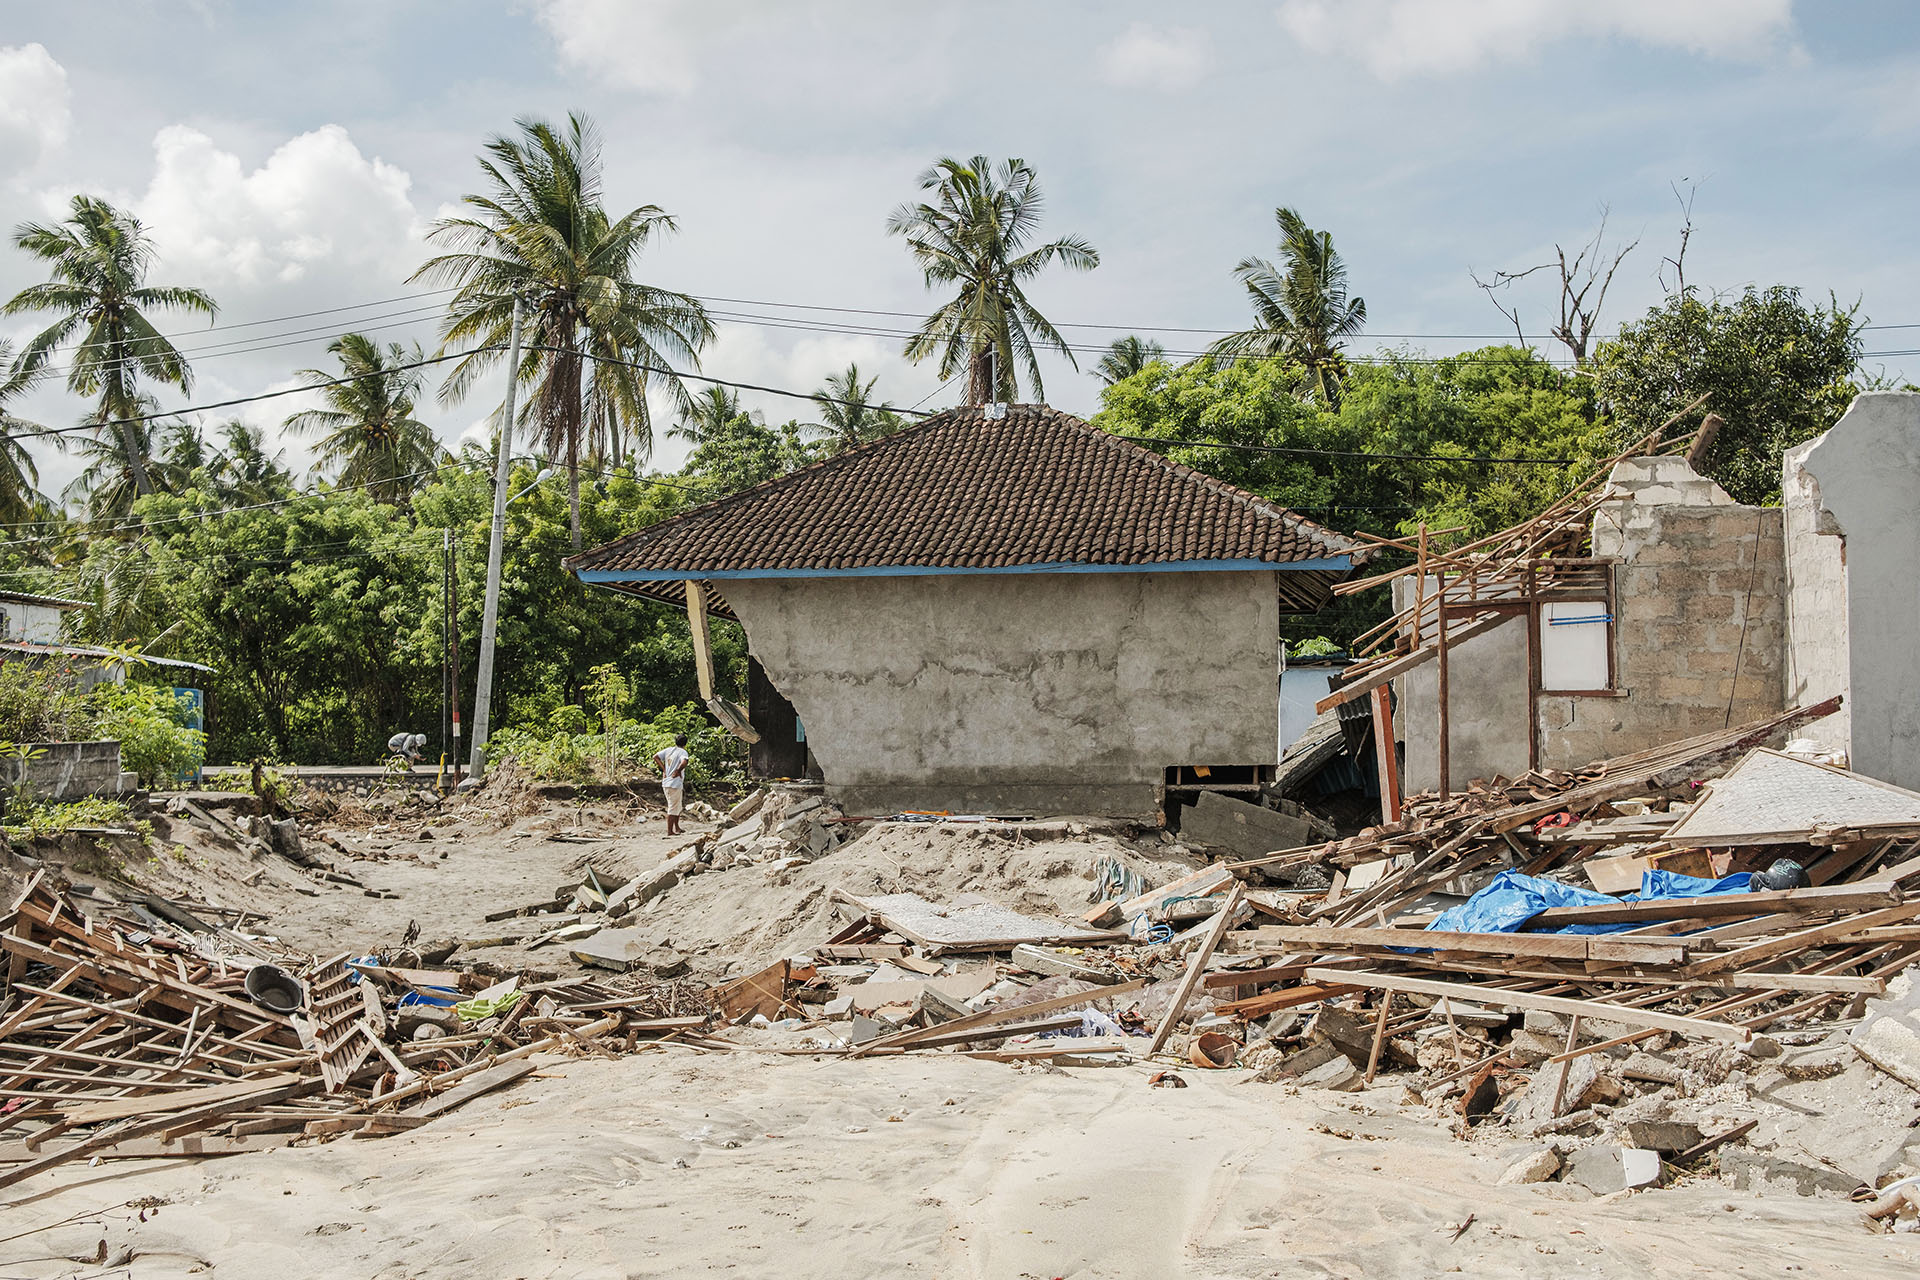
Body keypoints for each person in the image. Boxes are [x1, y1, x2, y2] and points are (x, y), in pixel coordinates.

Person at [653, 733, 690, 835]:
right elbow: (684, 762)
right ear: (685, 743)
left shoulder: (669, 750)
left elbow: (655, 757)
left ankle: (677, 827)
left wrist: (664, 769)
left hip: (667, 783)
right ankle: (670, 831)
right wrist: (678, 770)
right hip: (674, 783)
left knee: (677, 806)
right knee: (673, 807)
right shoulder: (683, 752)